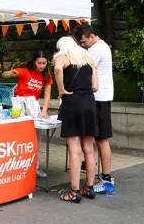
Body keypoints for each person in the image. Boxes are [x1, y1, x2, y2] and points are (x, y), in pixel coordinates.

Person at [54, 36, 99, 202]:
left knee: (74, 149)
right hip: (89, 103)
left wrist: (61, 89)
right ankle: (89, 187)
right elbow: (95, 86)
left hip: (72, 103)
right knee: (89, 148)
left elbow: (58, 69)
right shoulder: (87, 58)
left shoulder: (62, 57)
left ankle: (74, 191)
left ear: (61, 48)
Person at [2, 50, 52, 178]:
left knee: (36, 138)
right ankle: (17, 167)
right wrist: (11, 73)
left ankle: (35, 167)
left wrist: (44, 110)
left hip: (34, 105)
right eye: (39, 63)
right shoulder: (25, 71)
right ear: (34, 62)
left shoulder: (46, 75)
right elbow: (5, 75)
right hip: (19, 104)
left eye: (44, 63)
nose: (42, 66)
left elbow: (47, 95)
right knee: (20, 137)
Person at [78, 25, 115, 194]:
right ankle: (100, 173)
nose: (84, 44)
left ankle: (107, 179)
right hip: (100, 97)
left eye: (84, 41)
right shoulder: (99, 47)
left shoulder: (97, 49)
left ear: (92, 36)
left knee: (102, 139)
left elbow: (82, 67)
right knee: (98, 137)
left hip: (100, 98)